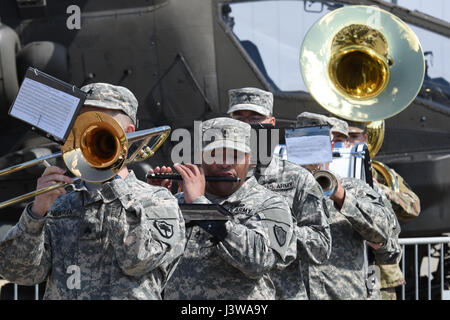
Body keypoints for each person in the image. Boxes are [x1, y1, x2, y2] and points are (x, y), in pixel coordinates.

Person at [0, 83, 186, 299]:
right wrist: (36, 214)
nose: (89, 135)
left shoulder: (158, 200)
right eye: (82, 126)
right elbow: (19, 273)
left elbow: (139, 261)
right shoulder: (60, 202)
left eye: (100, 126)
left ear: (128, 133)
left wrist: (111, 181)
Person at [162, 117, 295, 299]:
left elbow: (260, 261)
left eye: (235, 155)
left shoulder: (271, 203)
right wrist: (152, 200)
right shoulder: (176, 202)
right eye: (215, 154)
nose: (225, 163)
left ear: (250, 160)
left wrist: (201, 208)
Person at [227, 88, 331, 300]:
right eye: (239, 118)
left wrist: (279, 229)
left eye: (256, 118)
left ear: (271, 123)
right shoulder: (210, 176)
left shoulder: (296, 178)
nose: (247, 126)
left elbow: (321, 247)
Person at [296, 112, 401, 300]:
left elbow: (391, 249)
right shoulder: (279, 187)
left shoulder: (357, 187)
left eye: (339, 139)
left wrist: (342, 196)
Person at [345, 120, 421, 300]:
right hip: (344, 268)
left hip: (378, 267)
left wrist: (382, 190)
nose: (348, 143)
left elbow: (414, 207)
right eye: (343, 138)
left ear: (365, 138)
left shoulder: (380, 173)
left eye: (354, 137)